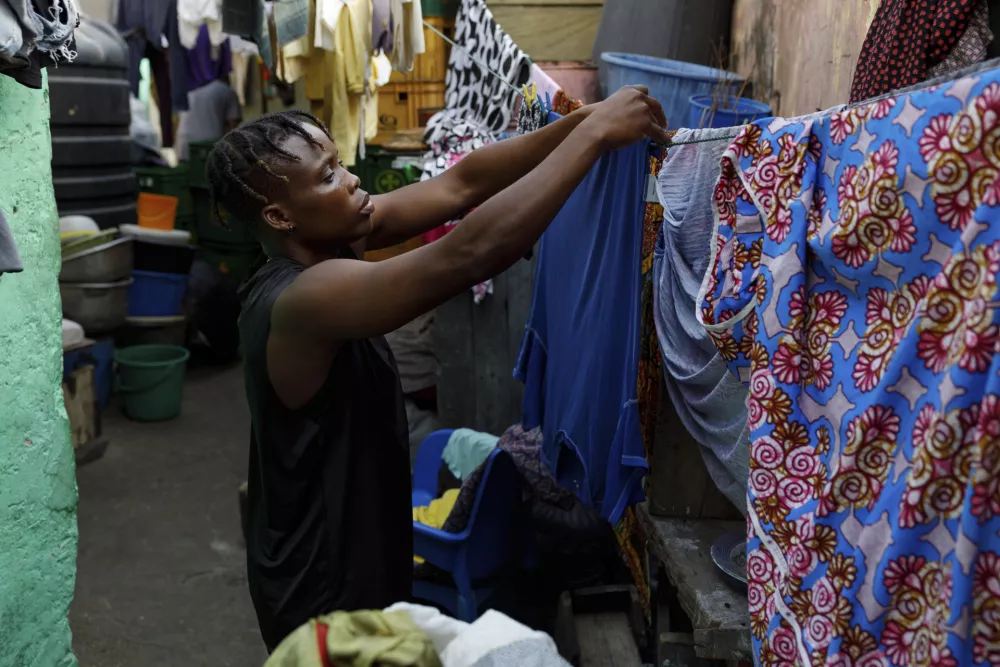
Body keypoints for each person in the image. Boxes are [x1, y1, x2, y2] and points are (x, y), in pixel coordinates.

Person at [204, 85, 669, 651]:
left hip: (358, 543)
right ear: (280, 216)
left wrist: (580, 123)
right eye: (328, 177)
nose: (351, 181)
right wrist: (594, 138)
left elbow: (462, 184)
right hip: (321, 580)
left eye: (341, 164)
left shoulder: (332, 241)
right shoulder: (304, 299)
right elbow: (466, 254)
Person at [175, 75, 241, 162]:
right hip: (211, 148)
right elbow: (233, 128)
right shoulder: (226, 91)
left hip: (184, 146)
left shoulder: (187, 88)